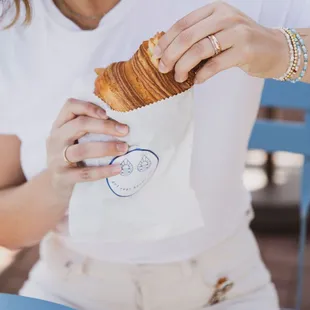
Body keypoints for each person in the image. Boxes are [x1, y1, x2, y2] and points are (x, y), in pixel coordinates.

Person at [0, 0, 309, 309]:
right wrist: (56, 184)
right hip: (69, 288)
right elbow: (7, 228)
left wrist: (284, 50)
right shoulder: (9, 24)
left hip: (222, 289)